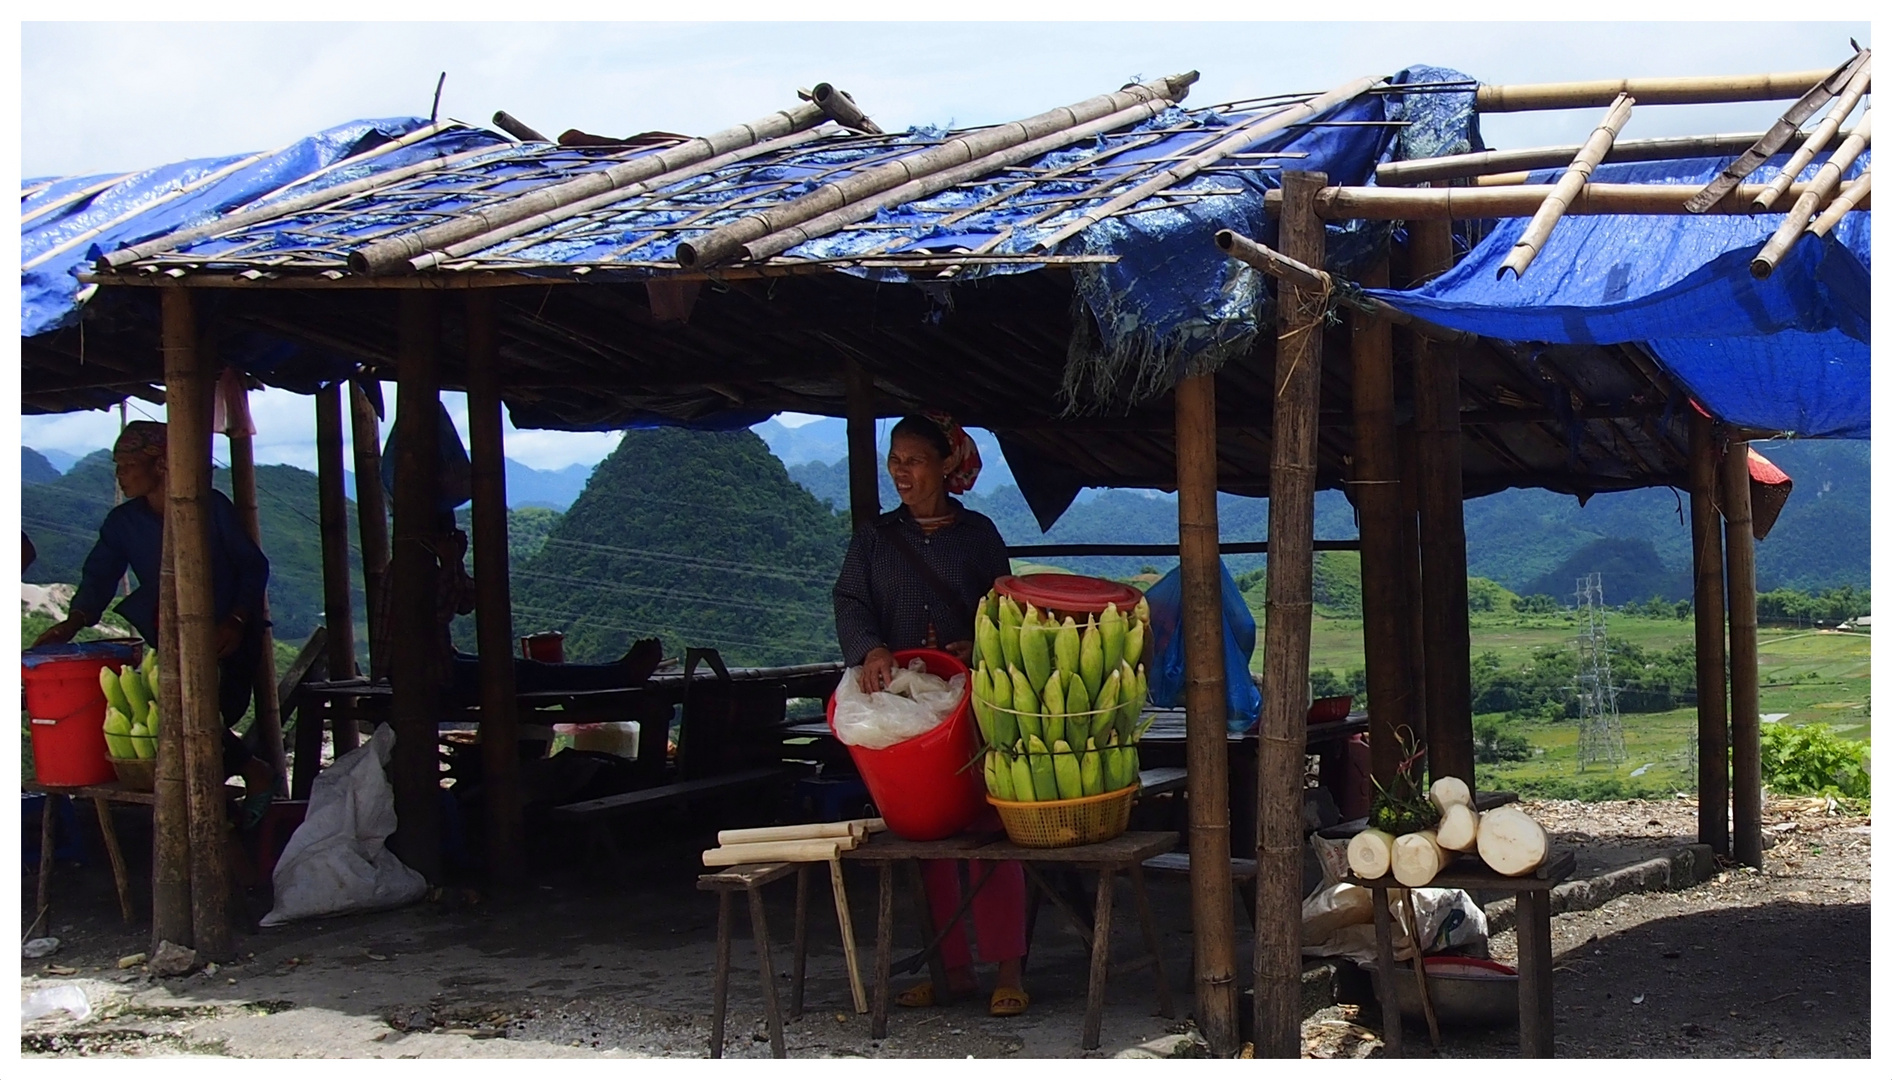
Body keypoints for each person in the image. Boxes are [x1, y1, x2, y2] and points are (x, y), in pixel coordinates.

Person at [832, 412, 1029, 1018]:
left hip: (973, 706)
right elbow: (849, 597)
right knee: (927, 833)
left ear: (945, 465)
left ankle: (1006, 969)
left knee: (989, 833)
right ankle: (952, 971)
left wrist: (980, 645)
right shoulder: (874, 539)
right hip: (907, 712)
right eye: (895, 460)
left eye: (913, 460)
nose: (900, 471)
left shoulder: (978, 535)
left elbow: (1006, 606)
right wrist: (871, 649)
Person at [33, 421, 277, 825]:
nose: (120, 475)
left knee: (210, 714)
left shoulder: (210, 507)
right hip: (170, 634)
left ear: (161, 464)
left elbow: (253, 568)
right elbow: (100, 575)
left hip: (228, 635)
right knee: (175, 716)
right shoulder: (123, 523)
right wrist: (72, 622)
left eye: (128, 465)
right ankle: (224, 798)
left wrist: (235, 620)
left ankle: (247, 778)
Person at [367, 512, 664, 696]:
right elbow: (443, 612)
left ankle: (615, 670)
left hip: (430, 667)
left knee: (522, 668)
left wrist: (454, 563)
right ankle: (620, 675)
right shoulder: (408, 571)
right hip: (421, 678)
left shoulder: (422, 566)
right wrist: (450, 561)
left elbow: (466, 601)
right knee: (527, 674)